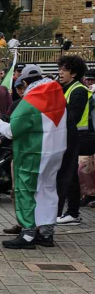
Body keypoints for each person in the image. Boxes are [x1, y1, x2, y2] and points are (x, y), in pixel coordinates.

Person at [0, 65, 66, 248]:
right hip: (55, 152)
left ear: (24, 82)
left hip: (33, 153)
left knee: (26, 191)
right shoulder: (58, 96)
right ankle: (46, 234)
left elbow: (13, 131)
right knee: (47, 191)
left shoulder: (30, 101)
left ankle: (28, 234)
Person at [55, 55, 91, 226]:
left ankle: (73, 213)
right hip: (68, 137)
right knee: (68, 175)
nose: (60, 72)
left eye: (64, 70)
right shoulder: (66, 89)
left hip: (78, 137)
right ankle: (70, 212)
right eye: (60, 69)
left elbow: (73, 117)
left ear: (74, 73)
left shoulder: (78, 90)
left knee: (69, 175)